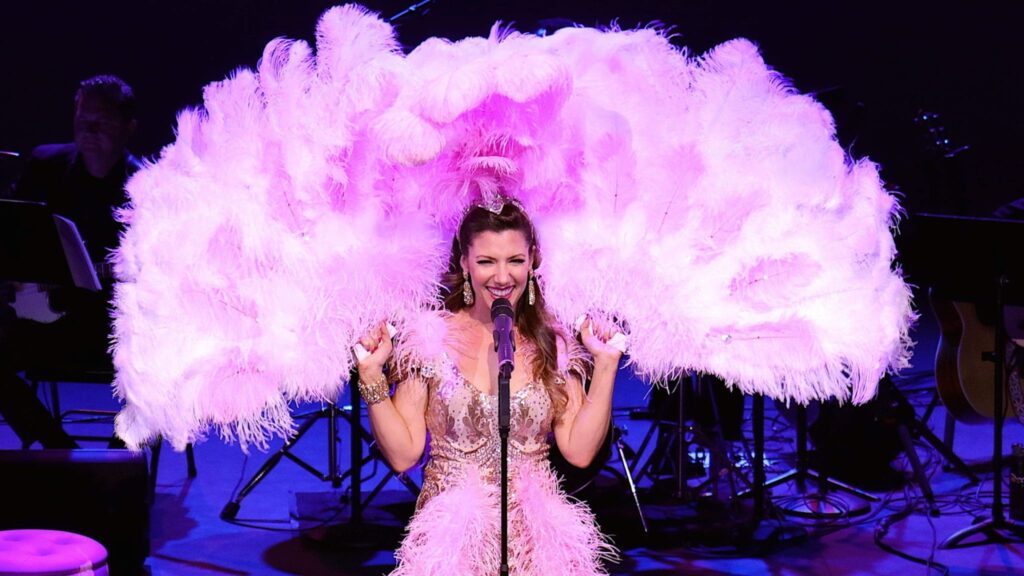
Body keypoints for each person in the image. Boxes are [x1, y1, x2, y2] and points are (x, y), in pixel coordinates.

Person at [355, 200, 621, 575]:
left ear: (533, 260)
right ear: (465, 262)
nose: (502, 276)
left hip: (536, 548)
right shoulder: (429, 340)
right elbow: (403, 455)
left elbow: (579, 451)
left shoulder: (553, 343)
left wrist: (606, 364)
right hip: (454, 547)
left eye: (515, 260)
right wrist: (371, 376)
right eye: (486, 262)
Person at [0, 74, 141, 448]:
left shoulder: (147, 186)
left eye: (102, 122)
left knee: (165, 367)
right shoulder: (45, 165)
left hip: (115, 329)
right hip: (45, 320)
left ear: (129, 128)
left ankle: (117, 465)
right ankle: (61, 454)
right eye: (83, 119)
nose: (89, 130)